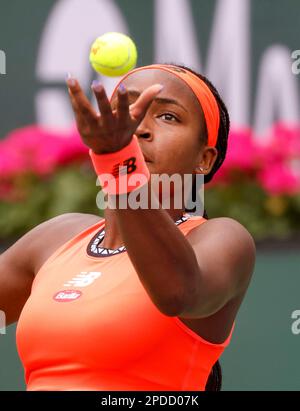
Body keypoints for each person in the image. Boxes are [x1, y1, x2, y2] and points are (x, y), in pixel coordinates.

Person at [0, 63, 256, 391]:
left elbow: (177, 294)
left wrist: (120, 162)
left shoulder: (222, 239)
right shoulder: (57, 236)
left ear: (204, 159)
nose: (140, 127)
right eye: (130, 110)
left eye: (168, 117)